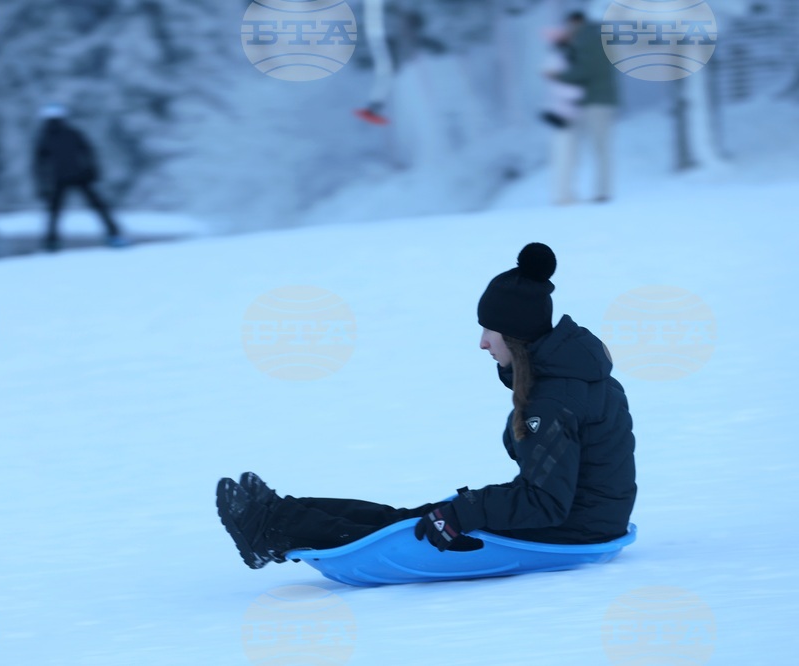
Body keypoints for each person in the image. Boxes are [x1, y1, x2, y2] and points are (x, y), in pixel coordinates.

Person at [216, 243, 637, 570]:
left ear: (515, 334)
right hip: (585, 523)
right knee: (410, 518)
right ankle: (281, 512)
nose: (483, 342)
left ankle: (270, 529)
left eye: (490, 330)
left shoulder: (553, 399)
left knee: (408, 530)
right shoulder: (577, 378)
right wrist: (462, 510)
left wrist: (464, 511)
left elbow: (545, 502)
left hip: (570, 533)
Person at [32, 104, 128, 252]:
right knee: (96, 207)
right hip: (76, 176)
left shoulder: (48, 137)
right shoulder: (67, 133)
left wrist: (43, 185)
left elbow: (39, 166)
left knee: (56, 211)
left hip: (67, 178)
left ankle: (51, 242)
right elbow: (89, 153)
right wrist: (93, 171)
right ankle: (114, 235)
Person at [548, 11, 619, 204]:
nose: (568, 30)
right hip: (595, 101)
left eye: (569, 26)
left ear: (576, 23)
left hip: (597, 101)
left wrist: (559, 76)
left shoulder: (589, 39)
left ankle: (602, 192)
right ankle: (599, 191)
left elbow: (587, 69)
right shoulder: (595, 37)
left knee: (599, 147)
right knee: (597, 148)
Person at [539, 26, 584, 205]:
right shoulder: (554, 61)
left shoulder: (566, 59)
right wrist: (578, 94)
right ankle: (561, 196)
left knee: (571, 157)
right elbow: (559, 87)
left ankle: (567, 193)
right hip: (561, 116)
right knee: (563, 156)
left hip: (572, 114)